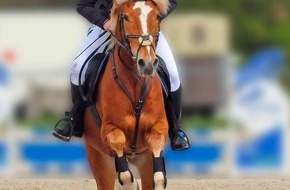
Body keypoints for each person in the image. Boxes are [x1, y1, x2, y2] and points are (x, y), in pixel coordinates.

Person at [52, 0, 190, 151]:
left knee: (173, 74)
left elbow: (172, 2)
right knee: (78, 67)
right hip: (109, 28)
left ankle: (176, 129)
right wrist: (104, 22)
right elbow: (83, 5)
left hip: (146, 30)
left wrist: (150, 18)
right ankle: (75, 120)